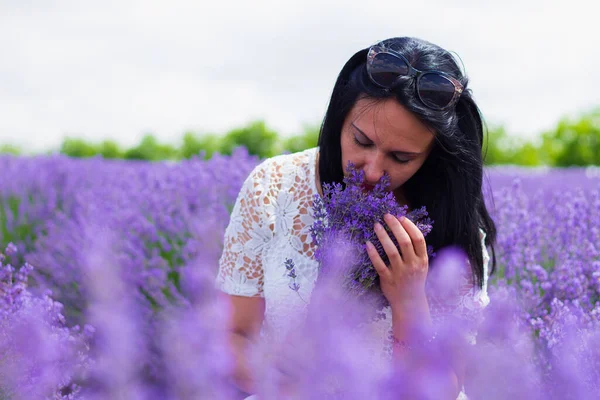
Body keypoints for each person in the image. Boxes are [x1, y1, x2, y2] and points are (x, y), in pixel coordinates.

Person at [216, 36, 497, 399]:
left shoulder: (449, 222)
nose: (372, 169)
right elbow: (232, 336)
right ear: (339, 118)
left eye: (400, 158)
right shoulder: (275, 187)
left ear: (431, 155)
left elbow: (439, 389)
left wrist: (409, 300)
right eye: (362, 141)